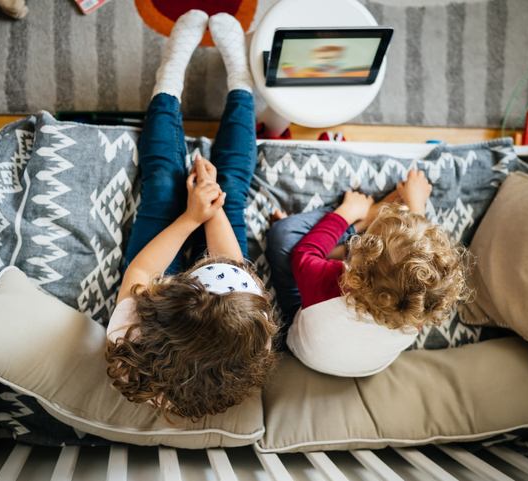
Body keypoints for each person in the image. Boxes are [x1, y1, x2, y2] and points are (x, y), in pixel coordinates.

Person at [105, 10, 278, 420]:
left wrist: (189, 216)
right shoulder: (253, 328)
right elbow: (232, 263)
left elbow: (145, 268)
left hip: (164, 298)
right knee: (232, 190)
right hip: (209, 304)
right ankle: (241, 83)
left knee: (163, 184)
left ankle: (169, 78)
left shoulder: (129, 336)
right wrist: (211, 201)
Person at [266, 170, 470, 377]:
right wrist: (416, 204)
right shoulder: (418, 308)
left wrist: (347, 211)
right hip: (361, 368)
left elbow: (306, 252)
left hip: (302, 347)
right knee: (404, 258)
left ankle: (363, 219)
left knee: (284, 235)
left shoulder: (332, 280)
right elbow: (417, 273)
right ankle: (368, 221)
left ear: (355, 266)